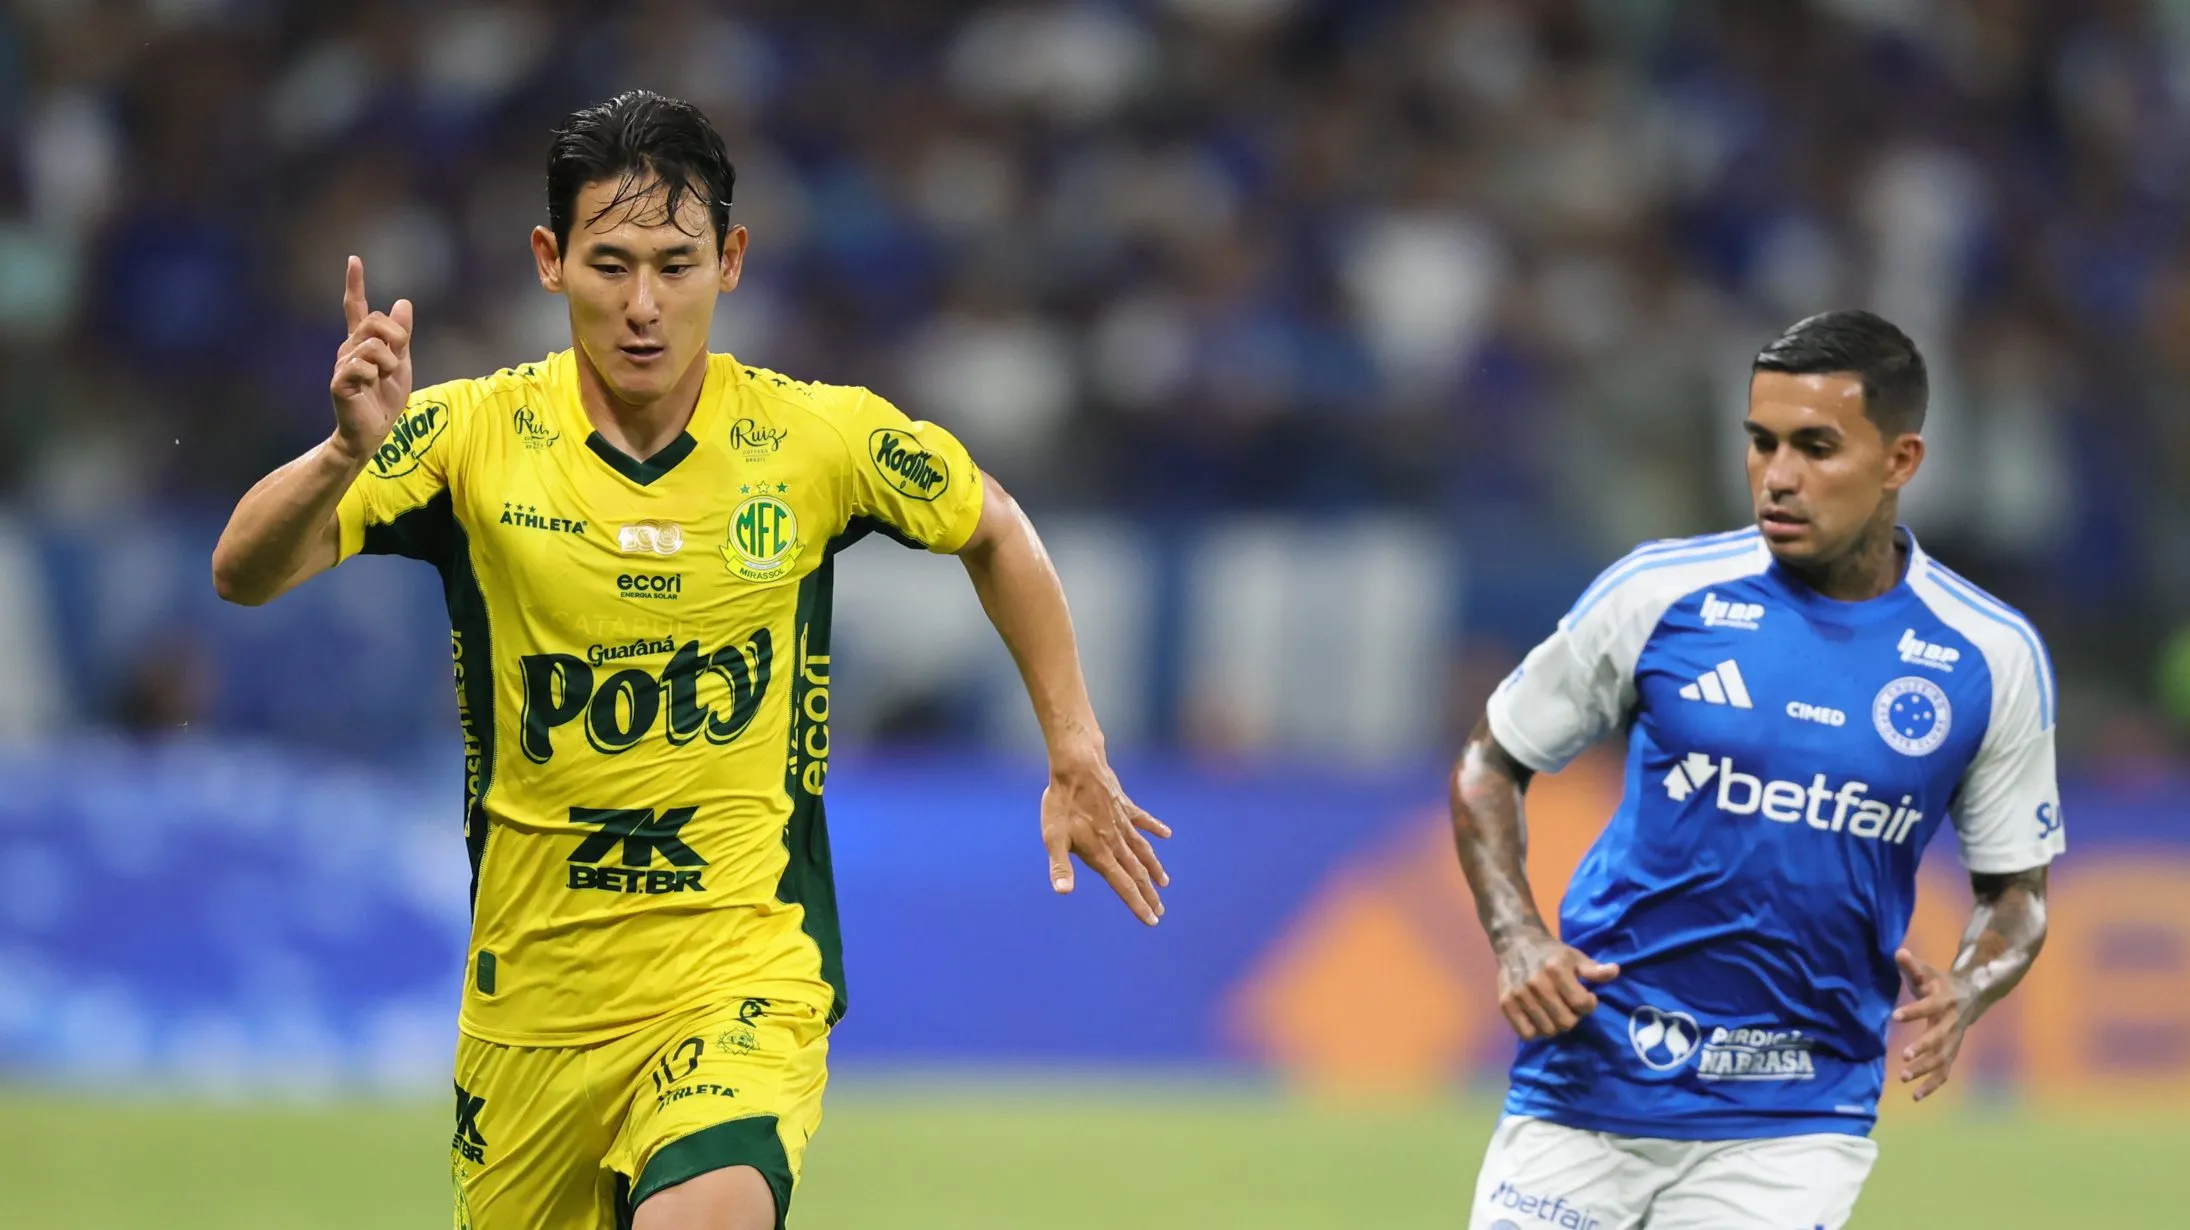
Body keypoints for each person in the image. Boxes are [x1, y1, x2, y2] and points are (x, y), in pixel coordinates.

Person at [210, 90, 1171, 1230]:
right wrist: (340, 453)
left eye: (676, 265)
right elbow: (243, 571)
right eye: (610, 265)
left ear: (732, 260)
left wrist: (1073, 745)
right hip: (532, 1013)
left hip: (740, 977)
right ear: (550, 261)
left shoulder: (813, 440)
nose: (644, 306)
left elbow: (993, 525)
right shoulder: (468, 438)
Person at [1449, 310, 2060, 1229]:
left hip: (1796, 1117)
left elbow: (2017, 890)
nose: (1777, 475)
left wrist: (1970, 985)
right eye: (1761, 442)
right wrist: (1518, 938)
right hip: (1589, 1082)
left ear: (1900, 461)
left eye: (1816, 447)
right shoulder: (1659, 594)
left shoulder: (1990, 655)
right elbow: (1490, 760)